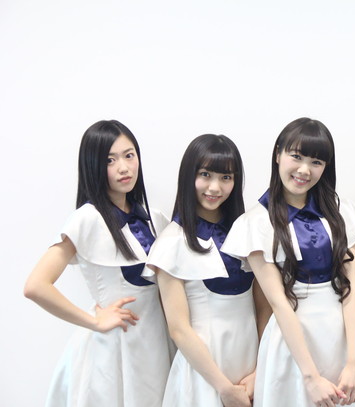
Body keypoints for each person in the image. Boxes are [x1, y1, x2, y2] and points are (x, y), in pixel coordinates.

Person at [222, 118, 355, 407]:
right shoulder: (255, 223)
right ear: (278, 154)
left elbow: (351, 291)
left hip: (344, 341)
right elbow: (278, 303)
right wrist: (310, 377)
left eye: (316, 162)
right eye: (296, 156)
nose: (305, 170)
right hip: (292, 347)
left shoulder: (342, 212)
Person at [24, 120, 173, 407]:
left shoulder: (155, 218)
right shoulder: (87, 219)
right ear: (93, 165)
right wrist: (94, 320)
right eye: (110, 160)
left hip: (157, 345)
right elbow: (35, 286)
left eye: (129, 155)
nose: (123, 168)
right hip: (114, 349)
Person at [145, 134, 262, 407]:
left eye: (226, 177)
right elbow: (179, 329)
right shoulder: (172, 242)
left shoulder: (246, 232)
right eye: (205, 175)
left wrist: (260, 370)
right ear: (189, 176)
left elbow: (264, 307)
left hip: (252, 366)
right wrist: (224, 388)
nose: (215, 187)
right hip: (204, 373)